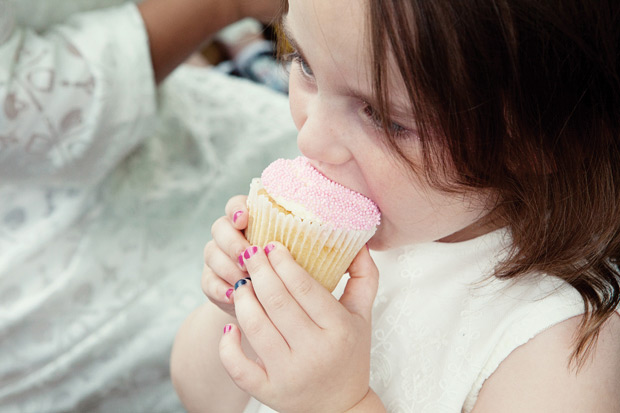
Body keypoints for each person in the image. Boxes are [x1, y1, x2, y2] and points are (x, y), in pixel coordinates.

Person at [170, 0, 620, 412]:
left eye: (385, 117)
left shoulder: (565, 351)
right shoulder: (362, 210)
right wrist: (244, 310)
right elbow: (200, 396)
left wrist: (340, 404)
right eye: (304, 64)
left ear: (543, 141)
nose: (310, 139)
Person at [0, 0, 299, 411]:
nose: (315, 137)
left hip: (171, 110)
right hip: (57, 236)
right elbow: (23, 109)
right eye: (308, 68)